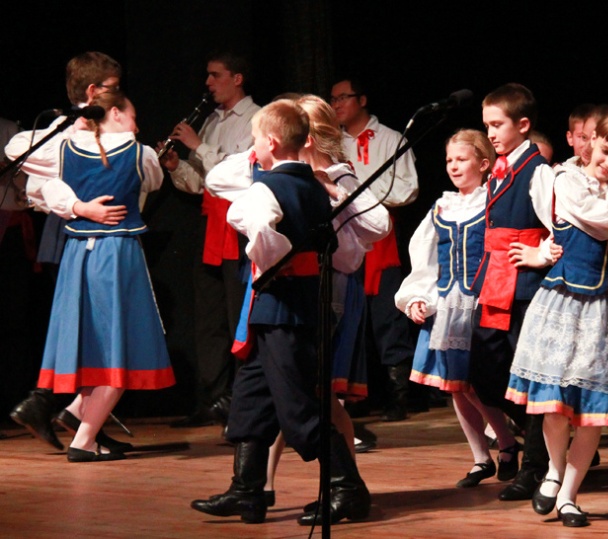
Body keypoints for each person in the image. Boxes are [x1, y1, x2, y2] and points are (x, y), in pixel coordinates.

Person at [205, 93, 390, 515]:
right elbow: (219, 180)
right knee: (251, 396)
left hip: (290, 305)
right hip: (274, 307)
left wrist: (269, 259)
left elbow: (264, 232)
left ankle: (346, 487)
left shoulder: (303, 183)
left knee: (301, 406)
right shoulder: (304, 183)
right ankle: (247, 487)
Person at [507, 110, 608, 527]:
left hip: (603, 307)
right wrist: (541, 251)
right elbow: (602, 222)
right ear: (592, 141)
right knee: (554, 404)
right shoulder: (566, 180)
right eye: (604, 152)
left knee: (590, 412)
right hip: (561, 302)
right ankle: (552, 470)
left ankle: (569, 494)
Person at [5, 51, 134, 454]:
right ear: (94, 91)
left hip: (94, 228)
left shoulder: (111, 130)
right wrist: (73, 140)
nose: (119, 95)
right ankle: (48, 402)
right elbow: (18, 153)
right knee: (79, 323)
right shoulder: (68, 132)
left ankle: (77, 414)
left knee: (89, 326)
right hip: (77, 232)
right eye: (112, 88)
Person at [35, 90, 174, 461]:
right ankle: (84, 441)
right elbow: (155, 181)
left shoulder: (64, 148)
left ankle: (79, 414)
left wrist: (77, 206)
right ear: (114, 113)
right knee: (119, 344)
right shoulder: (140, 153)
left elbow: (32, 170)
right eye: (132, 116)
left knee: (100, 340)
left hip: (78, 254)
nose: (137, 126)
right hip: (118, 253)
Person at [395, 128, 520, 488]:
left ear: (484, 164)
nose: (453, 166)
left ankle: (507, 441)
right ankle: (482, 457)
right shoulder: (443, 206)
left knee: (477, 384)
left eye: (462, 159)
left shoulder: (492, 204)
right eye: (449, 160)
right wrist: (418, 296)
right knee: (455, 386)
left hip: (480, 303)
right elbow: (424, 256)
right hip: (447, 304)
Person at [159, 51, 260, 428]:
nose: (208, 83)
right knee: (209, 319)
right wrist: (177, 166)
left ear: (237, 79)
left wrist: (197, 145)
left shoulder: (256, 118)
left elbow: (241, 173)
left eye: (215, 75)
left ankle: (245, 400)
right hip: (210, 227)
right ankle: (214, 397)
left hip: (237, 227)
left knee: (238, 316)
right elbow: (203, 183)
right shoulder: (215, 121)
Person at [471, 83, 555, 502]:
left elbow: (560, 227)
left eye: (498, 125)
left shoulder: (537, 171)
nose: (491, 133)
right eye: (487, 126)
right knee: (485, 371)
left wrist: (540, 253)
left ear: (523, 125)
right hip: (496, 280)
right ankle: (548, 441)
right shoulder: (501, 168)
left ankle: (536, 467)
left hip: (524, 286)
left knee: (530, 377)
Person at [331, 77, 422, 422]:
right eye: (333, 99)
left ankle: (399, 394)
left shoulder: (390, 139)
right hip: (346, 237)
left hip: (380, 237)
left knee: (387, 317)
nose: (337, 104)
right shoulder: (333, 142)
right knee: (349, 316)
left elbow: (408, 188)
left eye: (343, 98)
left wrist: (365, 195)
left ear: (362, 99)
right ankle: (355, 395)